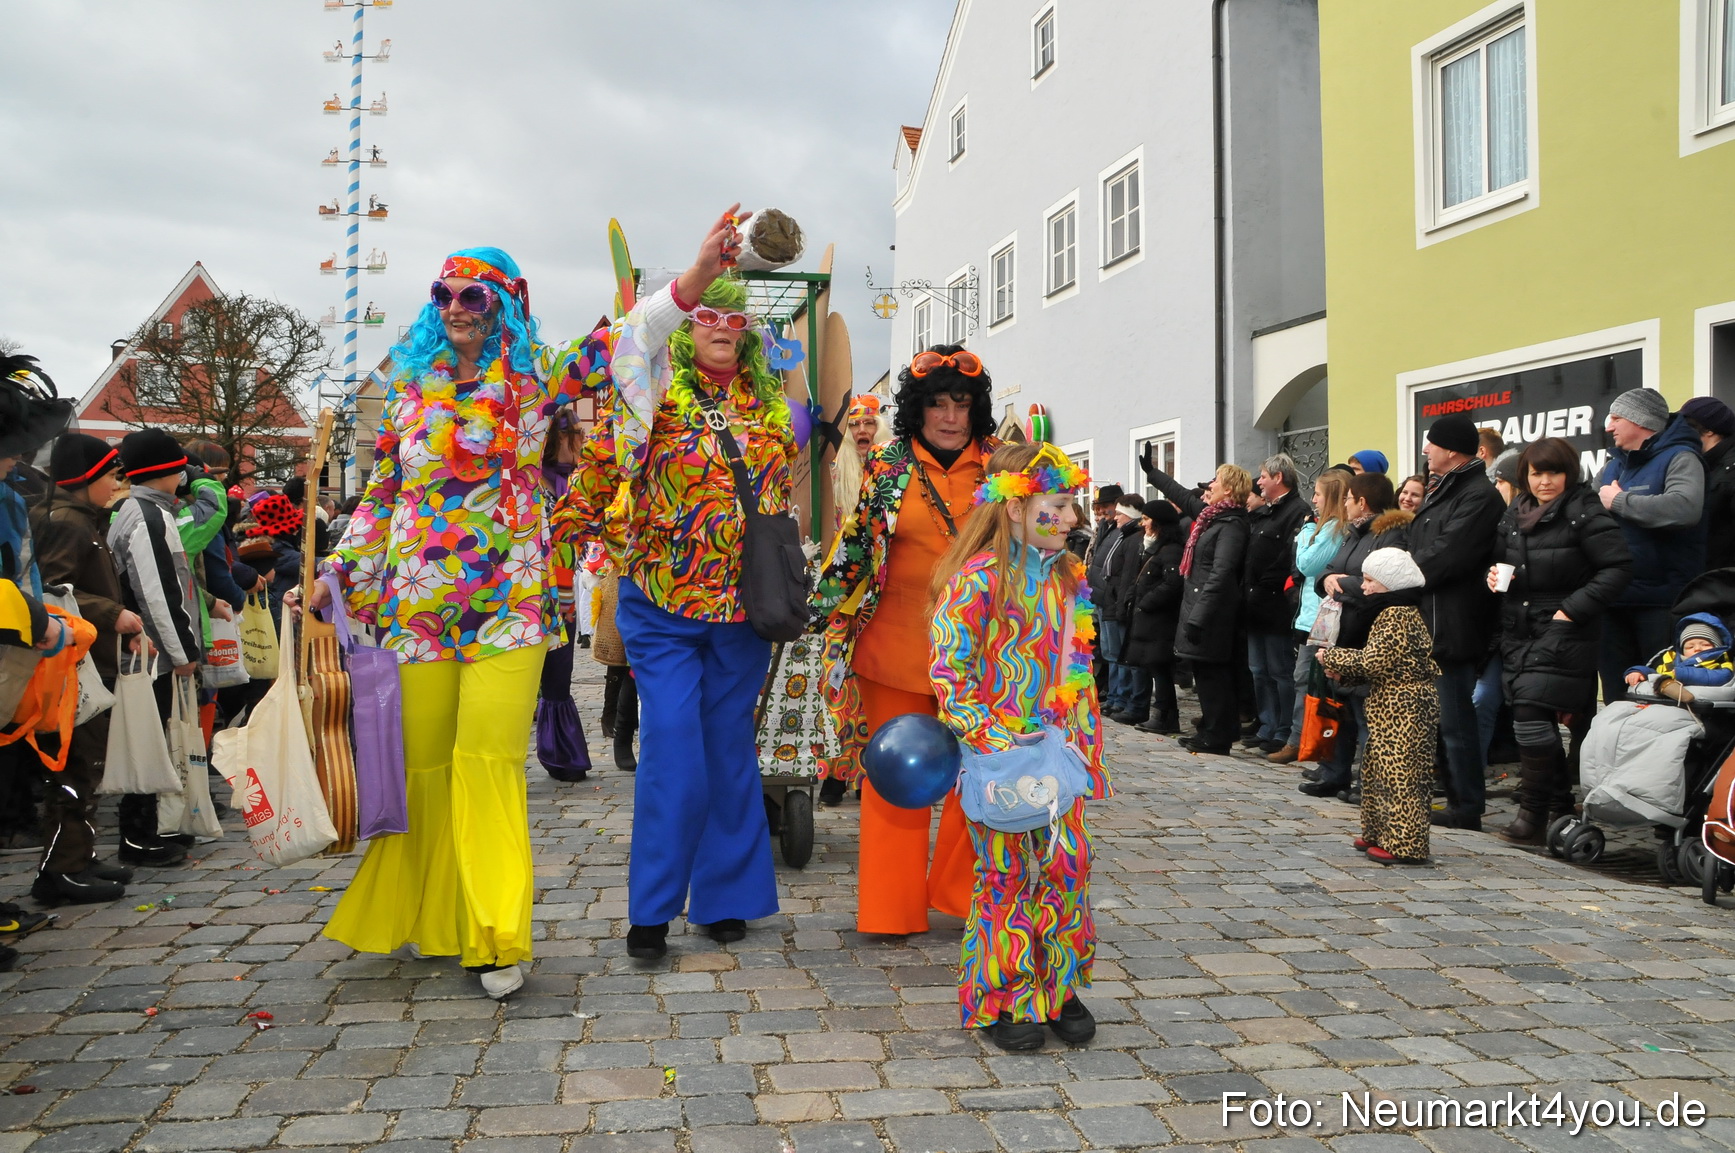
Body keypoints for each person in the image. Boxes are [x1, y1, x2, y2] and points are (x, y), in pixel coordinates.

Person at [315, 244, 602, 999]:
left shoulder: (537, 389)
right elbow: (379, 496)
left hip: (507, 608)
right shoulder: (411, 393)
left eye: (473, 295)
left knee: (485, 761)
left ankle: (493, 934)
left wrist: (697, 277)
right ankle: (437, 916)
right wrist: (333, 575)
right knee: (426, 768)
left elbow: (626, 342)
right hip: (421, 610)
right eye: (443, 293)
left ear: (503, 306)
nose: (453, 306)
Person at [597, 209, 801, 961]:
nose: (720, 322)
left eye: (733, 315)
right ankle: (652, 905)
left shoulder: (769, 405)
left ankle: (725, 896)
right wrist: (700, 273)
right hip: (662, 606)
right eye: (708, 313)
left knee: (726, 750)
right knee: (674, 748)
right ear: (689, 326)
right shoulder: (654, 391)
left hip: (742, 611)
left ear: (746, 332)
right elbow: (628, 340)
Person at [928, 443, 1110, 1051]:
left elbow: (1081, 664)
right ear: (1014, 508)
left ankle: (1059, 987)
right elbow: (949, 674)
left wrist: (1083, 744)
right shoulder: (978, 580)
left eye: (1071, 506)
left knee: (1066, 867)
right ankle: (1004, 995)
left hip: (1061, 756)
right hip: (1003, 759)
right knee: (1004, 875)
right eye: (1056, 506)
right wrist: (996, 740)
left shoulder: (1068, 576)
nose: (1071, 518)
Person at [813, 345, 998, 936]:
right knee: (896, 781)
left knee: (984, 777)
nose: (949, 416)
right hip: (895, 651)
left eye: (961, 404)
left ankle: (963, 896)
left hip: (982, 656)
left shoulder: (1003, 469)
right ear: (917, 409)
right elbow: (857, 552)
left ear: (976, 409)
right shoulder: (888, 467)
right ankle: (890, 910)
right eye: (938, 403)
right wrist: (810, 610)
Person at [1486, 437, 1632, 845]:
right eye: (1537, 473)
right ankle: (1560, 806)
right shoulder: (1516, 513)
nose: (1545, 481)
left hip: (1566, 628)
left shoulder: (1583, 511)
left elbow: (1618, 567)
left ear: (1568, 474)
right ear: (1525, 477)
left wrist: (1570, 612)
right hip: (1519, 626)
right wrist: (1495, 578)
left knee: (1531, 713)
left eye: (1553, 472)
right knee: (1532, 718)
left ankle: (1532, 814)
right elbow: (1500, 560)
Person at [28, 435, 149, 902]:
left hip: (87, 661)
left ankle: (79, 856)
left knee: (88, 766)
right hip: (70, 667)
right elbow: (52, 590)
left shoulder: (81, 520)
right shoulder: (65, 523)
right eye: (111, 476)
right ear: (86, 479)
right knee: (76, 767)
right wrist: (109, 612)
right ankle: (59, 870)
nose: (117, 485)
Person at [1407, 414, 1506, 831]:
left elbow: (1448, 555)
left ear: (1452, 450)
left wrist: (1400, 572)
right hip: (1431, 617)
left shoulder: (1478, 496)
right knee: (1439, 719)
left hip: (1456, 620)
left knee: (1456, 720)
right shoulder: (1443, 490)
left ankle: (1467, 806)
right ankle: (1453, 796)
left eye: (1431, 444)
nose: (1425, 450)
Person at [107, 430, 201, 867]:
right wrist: (182, 652)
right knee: (150, 738)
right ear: (169, 471)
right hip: (151, 653)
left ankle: (147, 829)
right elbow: (158, 591)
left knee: (154, 735)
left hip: (147, 649)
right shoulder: (147, 516)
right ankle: (139, 836)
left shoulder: (140, 510)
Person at [1317, 548, 1439, 866]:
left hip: (1406, 706)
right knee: (1378, 768)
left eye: (1371, 581)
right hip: (1391, 701)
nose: (1365, 586)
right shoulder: (1392, 612)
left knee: (1403, 774)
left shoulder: (1396, 614)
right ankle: (1380, 831)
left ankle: (1405, 843)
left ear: (1390, 584)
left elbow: (1375, 661)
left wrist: (1333, 657)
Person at [1302, 472, 1410, 797]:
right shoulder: (1353, 533)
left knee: (1365, 712)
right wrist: (1328, 580)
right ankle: (1334, 773)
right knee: (1338, 705)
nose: (1345, 504)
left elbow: (1382, 579)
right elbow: (1327, 569)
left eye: (1348, 499)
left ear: (1362, 502)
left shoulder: (1391, 534)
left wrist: (1342, 583)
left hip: (1367, 628)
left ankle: (1369, 784)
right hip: (1341, 628)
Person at [1596, 387, 1706, 704]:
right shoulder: (1612, 466)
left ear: (1640, 421)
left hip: (1661, 602)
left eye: (1616, 417)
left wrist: (1619, 501)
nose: (1608, 426)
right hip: (1614, 598)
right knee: (1618, 696)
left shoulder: (1681, 458)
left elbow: (1684, 508)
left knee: (1660, 695)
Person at [1141, 452, 1251, 755]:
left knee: (1213, 676)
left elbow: (1221, 573)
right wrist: (1153, 473)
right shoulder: (1212, 517)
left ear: (1229, 489)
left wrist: (1198, 616)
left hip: (1213, 610)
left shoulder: (1231, 525)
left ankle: (1216, 736)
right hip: (1202, 607)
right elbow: (1180, 495)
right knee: (1207, 674)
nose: (1210, 485)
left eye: (1216, 480)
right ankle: (1216, 731)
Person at [1272, 469, 1350, 765]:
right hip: (1310, 616)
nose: (1313, 500)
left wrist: (1305, 532)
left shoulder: (1330, 529)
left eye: (1317, 494)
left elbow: (1305, 563)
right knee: (1303, 679)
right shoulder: (1325, 527)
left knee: (1311, 681)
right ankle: (1302, 740)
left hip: (1323, 619)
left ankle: (1308, 742)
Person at [1242, 454, 1311, 754]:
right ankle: (1267, 723)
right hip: (1255, 605)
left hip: (1276, 606)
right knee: (1258, 669)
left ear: (1278, 478)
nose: (1259, 482)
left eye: (1263, 477)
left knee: (1280, 671)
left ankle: (1283, 729)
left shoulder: (1297, 511)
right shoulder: (1268, 512)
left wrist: (1262, 588)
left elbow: (1287, 558)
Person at [1122, 501, 1184, 735]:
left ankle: (1163, 716)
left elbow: (1172, 583)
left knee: (1161, 670)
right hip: (1151, 620)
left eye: (1147, 519)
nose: (1143, 524)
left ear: (1158, 523)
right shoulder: (1158, 549)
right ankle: (1165, 716)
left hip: (1160, 621)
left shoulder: (1171, 550)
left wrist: (1146, 602)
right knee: (1158, 669)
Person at [1098, 495, 1148, 722]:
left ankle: (1125, 699)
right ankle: (1116, 697)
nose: (1114, 517)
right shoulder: (1119, 533)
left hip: (1118, 602)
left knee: (1122, 656)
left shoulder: (1133, 537)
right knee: (1111, 654)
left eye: (1119, 513)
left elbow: (1127, 576)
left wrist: (1121, 603)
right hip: (1109, 600)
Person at [1680, 396, 1735, 571]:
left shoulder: (1729, 469)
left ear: (1709, 431)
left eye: (1686, 426)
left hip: (1725, 580)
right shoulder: (1704, 465)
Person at [1624, 616, 1735, 693]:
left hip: (1697, 703)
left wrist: (1682, 674)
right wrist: (1639, 671)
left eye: (1705, 645)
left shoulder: (1720, 661)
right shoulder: (1672, 660)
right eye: (1690, 647)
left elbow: (1724, 677)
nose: (1697, 649)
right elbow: (1656, 672)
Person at [831, 393, 892, 532]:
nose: (862, 431)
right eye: (854, 425)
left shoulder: (895, 469)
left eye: (869, 423)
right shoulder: (833, 473)